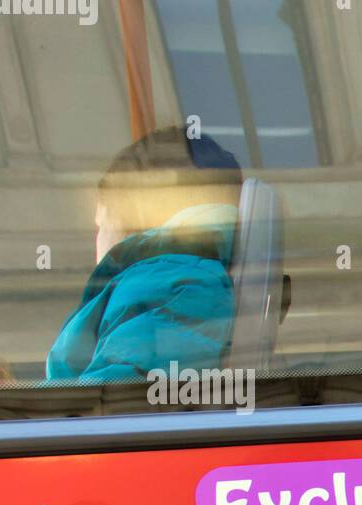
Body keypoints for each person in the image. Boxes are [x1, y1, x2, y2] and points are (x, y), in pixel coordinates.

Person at [45, 127, 242, 383]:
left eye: (100, 225)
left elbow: (113, 407)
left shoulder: (168, 283)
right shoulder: (177, 279)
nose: (99, 238)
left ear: (125, 217)